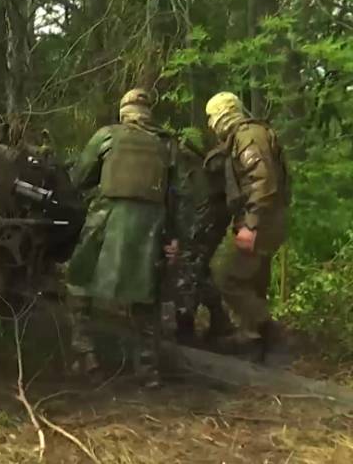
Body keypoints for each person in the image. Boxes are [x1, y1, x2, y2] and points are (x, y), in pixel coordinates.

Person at [65, 88, 178, 386]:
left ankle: (86, 356)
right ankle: (148, 369)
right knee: (146, 296)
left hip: (106, 221)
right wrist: (173, 236)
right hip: (152, 227)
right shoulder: (166, 145)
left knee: (78, 280)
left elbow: (78, 178)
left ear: (124, 112)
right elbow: (176, 196)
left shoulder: (108, 136)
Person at [204, 92, 290, 363]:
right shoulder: (245, 135)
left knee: (226, 276)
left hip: (260, 220)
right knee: (254, 282)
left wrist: (250, 225)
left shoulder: (248, 136)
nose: (210, 124)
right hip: (266, 218)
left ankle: (271, 333)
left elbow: (263, 181)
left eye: (211, 117)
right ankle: (258, 346)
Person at [169, 133, 234, 344]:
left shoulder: (183, 166)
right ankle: (220, 321)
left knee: (189, 268)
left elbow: (184, 200)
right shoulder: (192, 164)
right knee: (199, 268)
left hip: (201, 219)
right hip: (211, 217)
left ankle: (186, 327)